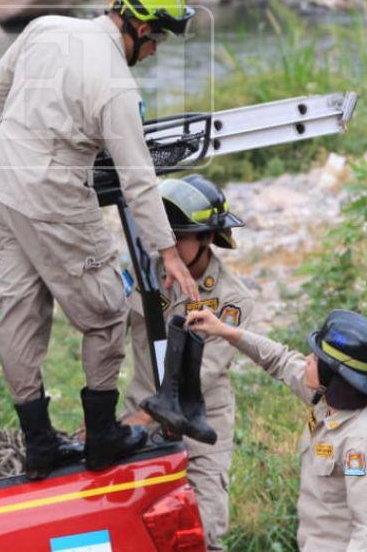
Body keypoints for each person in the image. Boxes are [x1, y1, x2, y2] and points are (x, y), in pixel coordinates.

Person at [0, 0, 200, 477]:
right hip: (53, 195)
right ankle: (101, 436)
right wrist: (167, 253)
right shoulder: (116, 86)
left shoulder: (48, 27)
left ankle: (40, 443)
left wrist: (15, 139)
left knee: (19, 309)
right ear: (137, 27)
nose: (157, 49)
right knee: (106, 311)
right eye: (157, 36)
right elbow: (138, 178)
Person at [186, 306, 367, 551]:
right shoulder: (330, 399)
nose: (308, 360)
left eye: (317, 359)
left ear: (336, 375)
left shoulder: (363, 443)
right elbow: (280, 359)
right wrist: (225, 331)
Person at [122, 175, 255, 550]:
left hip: (201, 421)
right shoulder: (140, 273)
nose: (168, 245)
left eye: (178, 236)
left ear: (207, 239)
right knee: (132, 516)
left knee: (203, 523)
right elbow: (103, 330)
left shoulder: (233, 300)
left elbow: (203, 371)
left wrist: (147, 417)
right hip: (140, 407)